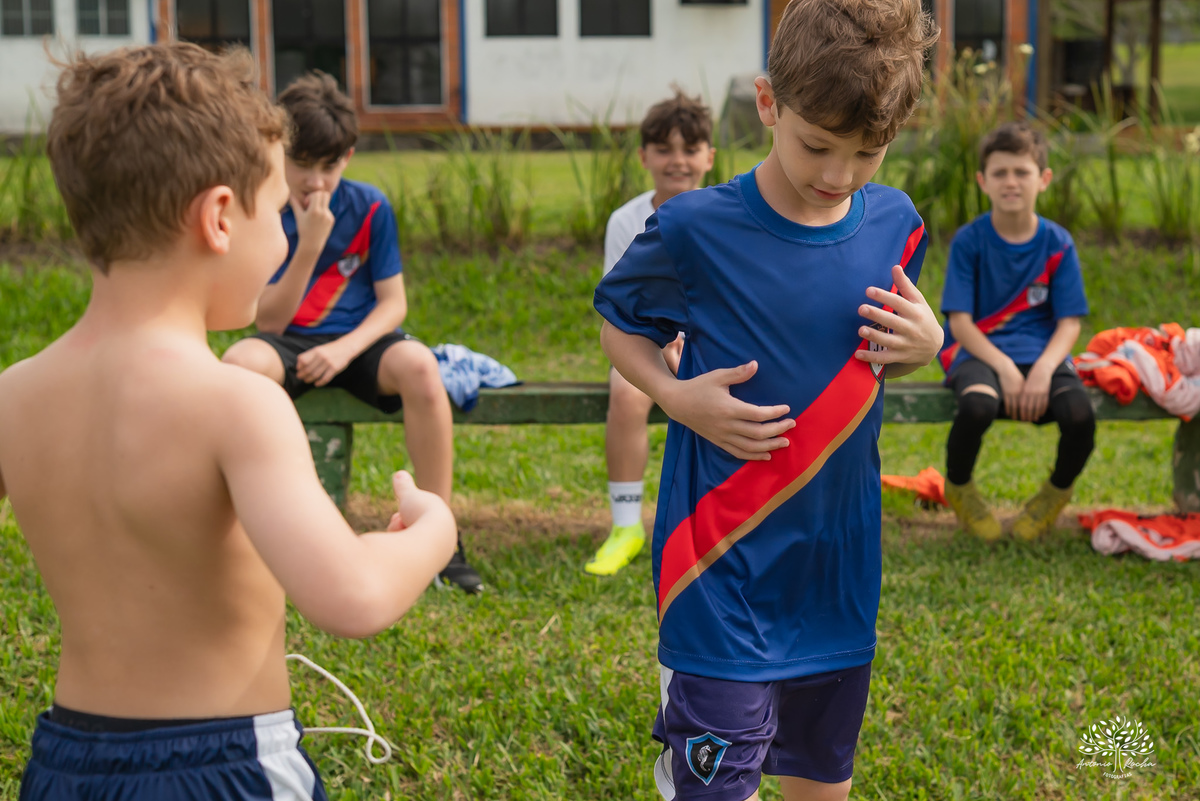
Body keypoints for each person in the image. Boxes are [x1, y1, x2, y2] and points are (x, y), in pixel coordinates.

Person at [0, 44, 457, 800]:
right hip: (223, 765)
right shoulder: (235, 403)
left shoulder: (14, 395)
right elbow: (352, 597)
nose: (285, 236)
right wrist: (435, 527)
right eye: (278, 210)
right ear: (219, 217)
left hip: (62, 767)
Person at [593, 1, 941, 798]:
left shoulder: (894, 221)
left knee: (819, 783)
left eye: (868, 151)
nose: (838, 174)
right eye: (818, 144)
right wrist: (676, 397)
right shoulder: (694, 229)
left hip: (837, 569)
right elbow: (621, 330)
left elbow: (896, 340)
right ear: (768, 104)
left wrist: (927, 349)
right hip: (722, 567)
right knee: (720, 786)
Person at [221, 72, 482, 593]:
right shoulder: (264, 209)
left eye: (330, 165)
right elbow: (267, 320)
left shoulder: (370, 207)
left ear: (349, 155)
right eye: (303, 164)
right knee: (238, 368)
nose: (316, 181)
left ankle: (442, 537)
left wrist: (343, 350)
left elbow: (393, 304)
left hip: (358, 341)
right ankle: (244, 536)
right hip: (287, 339)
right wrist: (312, 245)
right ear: (277, 153)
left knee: (422, 368)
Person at [937, 121, 1094, 542]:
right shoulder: (970, 241)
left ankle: (1053, 495)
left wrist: (1044, 368)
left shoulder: (1057, 243)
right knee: (977, 408)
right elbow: (960, 324)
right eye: (1000, 173)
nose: (1011, 182)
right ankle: (960, 487)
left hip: (1042, 354)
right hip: (980, 354)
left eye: (1021, 172)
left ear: (1043, 179)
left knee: (1080, 415)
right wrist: (1004, 367)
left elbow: (1069, 322)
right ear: (982, 181)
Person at [585, 89, 715, 577]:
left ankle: (715, 522)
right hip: (644, 345)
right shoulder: (627, 220)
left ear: (710, 156)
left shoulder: (728, 214)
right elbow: (621, 310)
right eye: (664, 149)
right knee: (625, 394)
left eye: (690, 149)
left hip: (711, 345)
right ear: (643, 156)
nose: (677, 161)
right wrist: (666, 348)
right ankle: (625, 526)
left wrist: (694, 349)